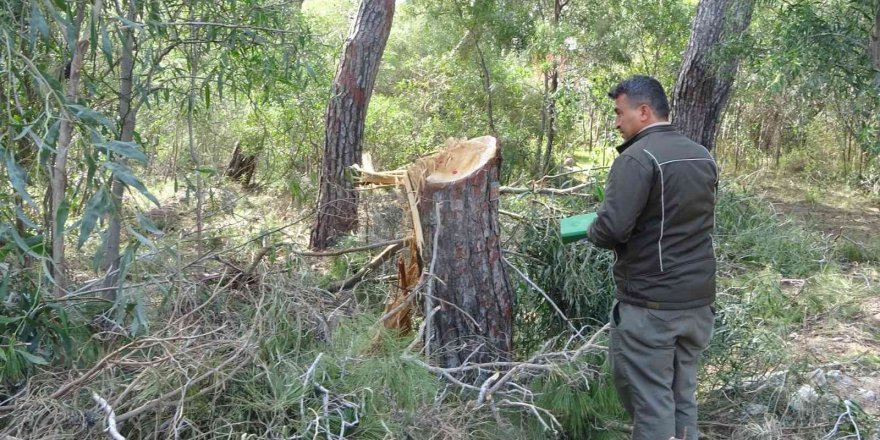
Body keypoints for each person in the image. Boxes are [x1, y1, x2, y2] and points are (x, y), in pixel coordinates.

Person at [586, 75, 717, 440]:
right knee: (681, 395)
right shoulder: (701, 154)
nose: (616, 122)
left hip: (652, 307)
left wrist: (591, 228)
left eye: (619, 113)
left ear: (643, 112)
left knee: (651, 402)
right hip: (697, 305)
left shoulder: (637, 159)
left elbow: (611, 229)